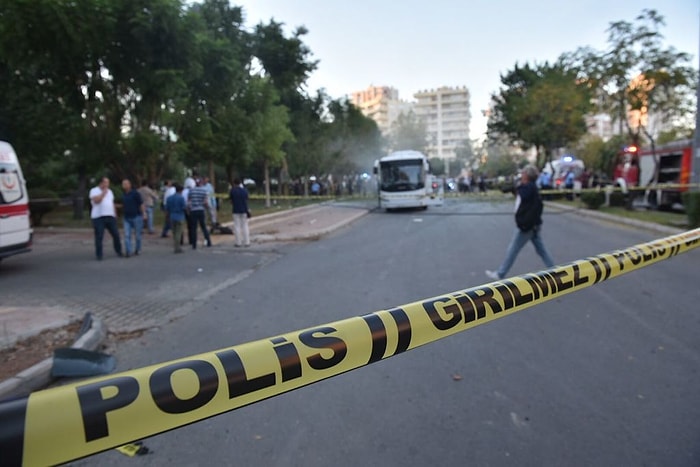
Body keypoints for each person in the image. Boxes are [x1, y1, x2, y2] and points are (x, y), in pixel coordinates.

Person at [486, 165, 555, 280]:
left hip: (526, 226)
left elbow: (523, 193)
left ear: (527, 176)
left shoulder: (528, 188)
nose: (521, 175)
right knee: (541, 250)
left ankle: (500, 273)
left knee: (513, 250)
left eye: (523, 173)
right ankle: (554, 271)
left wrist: (516, 186)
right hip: (533, 225)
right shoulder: (530, 187)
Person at [89, 176, 123, 260]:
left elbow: (112, 203)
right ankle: (99, 254)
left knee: (116, 234)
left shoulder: (110, 192)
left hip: (110, 216)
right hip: (98, 217)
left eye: (108, 182)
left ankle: (119, 251)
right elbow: (97, 200)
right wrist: (103, 192)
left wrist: (115, 214)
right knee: (99, 236)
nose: (107, 184)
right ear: (101, 183)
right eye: (106, 182)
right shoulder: (94, 190)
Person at [121, 179, 146, 257]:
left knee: (137, 235)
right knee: (127, 235)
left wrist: (144, 213)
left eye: (126, 184)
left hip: (136, 216)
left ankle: (138, 249)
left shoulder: (135, 193)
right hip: (126, 217)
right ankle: (128, 251)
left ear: (129, 185)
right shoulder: (124, 195)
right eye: (123, 184)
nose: (124, 185)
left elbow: (141, 204)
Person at [187, 178, 212, 249]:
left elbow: (189, 201)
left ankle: (194, 244)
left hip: (193, 211)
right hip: (201, 210)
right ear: (201, 183)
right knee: (203, 226)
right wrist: (206, 208)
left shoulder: (191, 191)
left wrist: (189, 209)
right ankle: (208, 241)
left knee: (193, 228)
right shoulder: (204, 191)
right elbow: (206, 202)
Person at [165, 183, 186, 253]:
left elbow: (167, 209)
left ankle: (176, 245)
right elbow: (184, 207)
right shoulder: (181, 198)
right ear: (181, 190)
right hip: (180, 216)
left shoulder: (169, 198)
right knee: (178, 233)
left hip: (172, 216)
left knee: (174, 232)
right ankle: (177, 247)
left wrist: (167, 217)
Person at [229, 178, 250, 247]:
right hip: (244, 210)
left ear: (234, 183)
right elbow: (247, 199)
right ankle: (247, 242)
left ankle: (238, 242)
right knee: (245, 226)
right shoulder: (244, 191)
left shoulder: (232, 191)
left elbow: (231, 201)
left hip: (236, 210)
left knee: (237, 226)